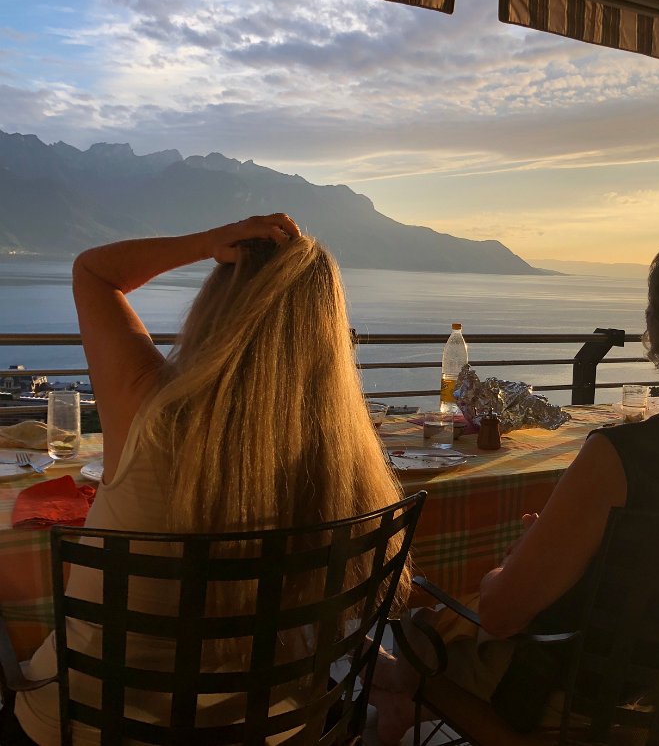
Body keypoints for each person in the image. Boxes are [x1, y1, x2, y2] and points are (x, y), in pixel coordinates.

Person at [371, 238, 659, 740]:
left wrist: (516, 559)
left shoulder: (620, 457)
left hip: (576, 703)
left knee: (420, 629)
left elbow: (500, 615)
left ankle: (387, 694)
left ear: (656, 330)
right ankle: (396, 700)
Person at [3, 215, 407, 746]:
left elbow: (93, 272)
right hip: (269, 729)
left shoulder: (147, 411)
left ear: (215, 310)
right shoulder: (342, 464)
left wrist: (206, 243)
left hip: (89, 726)